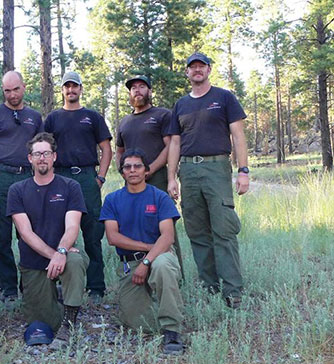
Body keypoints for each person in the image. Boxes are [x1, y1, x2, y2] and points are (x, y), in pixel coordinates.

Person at [167, 52, 249, 308]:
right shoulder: (181, 105)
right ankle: (209, 287)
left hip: (217, 168)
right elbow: (175, 143)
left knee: (223, 229)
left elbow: (238, 136)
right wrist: (171, 177)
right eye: (193, 67)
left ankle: (233, 291)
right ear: (187, 73)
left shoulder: (224, 98)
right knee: (198, 231)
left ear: (209, 70)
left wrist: (243, 171)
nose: (197, 70)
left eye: (202, 66)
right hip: (189, 171)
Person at [7, 132, 88, 348]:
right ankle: (59, 296)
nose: (42, 158)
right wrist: (55, 255)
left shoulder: (70, 186)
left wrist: (62, 253)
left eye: (46, 153)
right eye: (37, 154)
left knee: (75, 261)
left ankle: (70, 321)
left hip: (64, 255)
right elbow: (25, 233)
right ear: (30, 159)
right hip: (33, 262)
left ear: (54, 157)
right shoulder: (17, 190)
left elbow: (73, 226)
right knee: (45, 323)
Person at [100, 149, 184, 355]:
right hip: (131, 264)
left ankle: (172, 330)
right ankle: (160, 305)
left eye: (137, 166)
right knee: (138, 324)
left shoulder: (160, 197)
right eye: (127, 167)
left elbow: (167, 237)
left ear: (146, 171)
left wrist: (148, 261)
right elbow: (113, 238)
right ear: (122, 173)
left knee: (163, 266)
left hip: (160, 257)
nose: (133, 170)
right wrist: (147, 249)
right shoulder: (112, 199)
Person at [43, 71, 112, 302]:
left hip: (86, 177)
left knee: (92, 232)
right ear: (62, 90)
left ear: (81, 89)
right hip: (60, 177)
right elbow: (45, 148)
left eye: (75, 86)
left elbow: (106, 149)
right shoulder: (53, 118)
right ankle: (58, 282)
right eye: (67, 87)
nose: (71, 90)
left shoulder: (92, 117)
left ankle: (96, 287)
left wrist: (100, 177)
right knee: (56, 230)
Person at [0, 70, 43, 301]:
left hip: (27, 179)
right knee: (0, 234)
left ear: (24, 87)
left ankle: (32, 283)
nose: (12, 95)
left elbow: (42, 148)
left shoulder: (34, 117)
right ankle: (7, 288)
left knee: (30, 233)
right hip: (0, 178)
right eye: (7, 90)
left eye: (16, 89)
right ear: (2, 91)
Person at [116, 75, 184, 278]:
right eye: (133, 88)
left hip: (157, 179)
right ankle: (140, 273)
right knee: (136, 225)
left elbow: (170, 145)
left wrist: (150, 169)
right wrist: (124, 170)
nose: (137, 90)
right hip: (132, 182)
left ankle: (173, 275)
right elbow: (120, 150)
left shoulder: (162, 115)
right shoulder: (125, 122)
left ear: (149, 91)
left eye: (142, 87)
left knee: (165, 227)